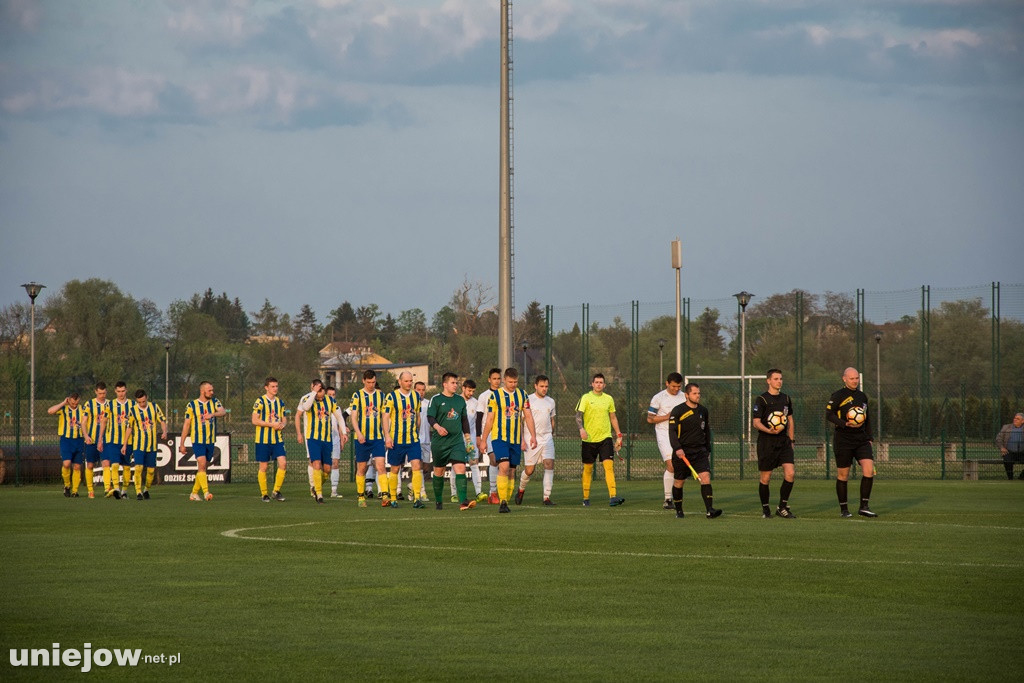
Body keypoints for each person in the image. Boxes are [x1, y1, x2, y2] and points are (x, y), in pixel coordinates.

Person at [483, 367, 537, 513]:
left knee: (512, 471)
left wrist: (533, 435)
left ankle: (505, 499)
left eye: (515, 382)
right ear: (504, 380)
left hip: (515, 439)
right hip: (499, 438)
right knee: (504, 466)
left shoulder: (522, 395)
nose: (513, 384)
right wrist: (483, 439)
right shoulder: (495, 396)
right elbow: (489, 419)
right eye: (510, 381)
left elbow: (528, 416)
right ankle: (503, 502)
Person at [825, 367, 877, 518]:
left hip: (861, 439)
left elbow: (867, 418)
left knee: (869, 470)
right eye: (852, 378)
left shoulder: (862, 396)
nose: (855, 381)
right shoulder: (838, 395)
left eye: (856, 378)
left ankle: (864, 506)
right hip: (843, 439)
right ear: (844, 379)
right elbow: (829, 414)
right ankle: (844, 510)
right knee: (843, 475)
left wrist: (870, 437)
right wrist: (843, 423)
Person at [667, 383, 722, 519]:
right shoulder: (678, 411)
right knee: (679, 482)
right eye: (694, 393)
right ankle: (679, 510)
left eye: (699, 393)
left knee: (705, 478)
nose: (698, 396)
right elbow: (672, 432)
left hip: (699, 452)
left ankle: (710, 510)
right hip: (682, 453)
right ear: (687, 395)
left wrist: (707, 449)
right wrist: (678, 448)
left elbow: (706, 431)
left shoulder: (703, 410)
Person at [426, 372, 476, 510]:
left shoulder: (460, 401)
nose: (456, 385)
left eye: (456, 383)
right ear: (445, 384)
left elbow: (464, 420)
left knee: (460, 468)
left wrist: (468, 439)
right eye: (453, 383)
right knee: (439, 472)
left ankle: (463, 501)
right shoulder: (436, 399)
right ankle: (438, 501)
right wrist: (437, 427)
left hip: (456, 442)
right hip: (439, 443)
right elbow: (430, 417)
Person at [752, 369, 796, 519]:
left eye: (781, 379)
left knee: (790, 473)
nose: (779, 381)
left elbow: (789, 420)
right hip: (767, 441)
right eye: (776, 379)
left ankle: (782, 507)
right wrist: (768, 430)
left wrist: (791, 440)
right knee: (766, 477)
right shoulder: (762, 400)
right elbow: (756, 422)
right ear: (768, 381)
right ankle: (766, 509)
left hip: (783, 441)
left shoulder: (786, 399)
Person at [575, 373, 625, 507]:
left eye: (601, 382)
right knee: (588, 469)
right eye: (596, 382)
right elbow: (578, 416)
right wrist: (581, 429)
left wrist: (619, 435)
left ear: (604, 385)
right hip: (589, 440)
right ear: (592, 384)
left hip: (605, 438)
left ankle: (613, 497)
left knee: (609, 467)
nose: (598, 384)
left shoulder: (609, 399)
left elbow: (613, 417)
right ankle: (586, 498)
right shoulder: (585, 397)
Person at [295, 379, 346, 503]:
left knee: (327, 469)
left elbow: (339, 416)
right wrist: (314, 393)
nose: (320, 394)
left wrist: (343, 432)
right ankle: (319, 494)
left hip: (326, 439)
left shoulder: (330, 401)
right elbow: (306, 408)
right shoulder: (307, 398)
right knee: (316, 464)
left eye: (321, 391)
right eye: (318, 391)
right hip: (313, 438)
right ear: (313, 388)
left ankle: (315, 487)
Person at [382, 371, 424, 508]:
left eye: (411, 381)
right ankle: (393, 497)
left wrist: (417, 431)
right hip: (396, 439)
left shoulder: (416, 396)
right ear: (399, 382)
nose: (409, 383)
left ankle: (417, 498)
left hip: (412, 439)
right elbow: (385, 417)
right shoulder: (391, 396)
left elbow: (418, 416)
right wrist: (387, 436)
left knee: (417, 466)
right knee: (395, 469)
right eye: (406, 381)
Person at [180, 381, 226, 502]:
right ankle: (206, 492)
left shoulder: (215, 402)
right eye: (209, 390)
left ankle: (194, 493)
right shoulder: (192, 405)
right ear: (202, 391)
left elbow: (223, 412)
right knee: (201, 463)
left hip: (210, 440)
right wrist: (182, 443)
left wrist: (213, 414)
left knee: (203, 467)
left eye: (212, 390)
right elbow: (187, 424)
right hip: (198, 440)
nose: (212, 392)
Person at [516, 374, 557, 506]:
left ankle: (546, 497)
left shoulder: (551, 401)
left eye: (546, 386)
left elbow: (552, 420)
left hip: (547, 437)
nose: (544, 389)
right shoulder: (528, 400)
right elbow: (521, 422)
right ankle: (521, 489)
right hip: (531, 439)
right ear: (535, 386)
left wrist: (551, 434)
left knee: (549, 464)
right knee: (529, 470)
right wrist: (522, 439)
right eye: (541, 386)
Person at [647, 372, 686, 510]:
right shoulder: (658, 398)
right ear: (667, 384)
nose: (676, 389)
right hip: (664, 434)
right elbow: (650, 418)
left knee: (680, 467)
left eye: (679, 386)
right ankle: (668, 499)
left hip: (681, 435)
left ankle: (676, 496)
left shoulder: (684, 397)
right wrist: (668, 417)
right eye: (674, 386)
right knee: (671, 466)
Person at [349, 370, 388, 504]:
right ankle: (361, 496)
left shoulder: (381, 396)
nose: (371, 385)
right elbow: (353, 417)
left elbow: (384, 417)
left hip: (377, 438)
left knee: (381, 466)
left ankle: (384, 496)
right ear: (363, 381)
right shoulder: (357, 395)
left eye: (373, 382)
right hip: (362, 439)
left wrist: (387, 434)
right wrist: (358, 433)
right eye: (369, 382)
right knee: (362, 468)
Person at [124, 389, 167, 500]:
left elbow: (162, 420)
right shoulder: (133, 410)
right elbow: (129, 428)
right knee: (138, 468)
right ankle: (138, 492)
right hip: (138, 445)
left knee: (151, 470)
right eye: (139, 402)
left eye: (143, 401)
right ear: (136, 401)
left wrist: (164, 431)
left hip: (152, 445)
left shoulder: (154, 407)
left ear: (146, 398)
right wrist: (124, 444)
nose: (142, 404)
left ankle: (146, 489)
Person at [252, 376, 288, 502]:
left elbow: (284, 418)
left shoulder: (280, 402)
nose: (275, 388)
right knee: (264, 467)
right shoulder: (260, 401)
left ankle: (276, 491)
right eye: (272, 386)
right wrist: (271, 424)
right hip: (263, 440)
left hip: (277, 439)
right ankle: (264, 494)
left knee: (283, 463)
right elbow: (254, 420)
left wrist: (282, 424)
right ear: (266, 387)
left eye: (276, 386)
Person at [452, 379, 487, 503]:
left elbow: (478, 422)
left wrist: (478, 437)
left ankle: (478, 492)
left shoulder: (476, 403)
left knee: (474, 463)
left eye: (473, 391)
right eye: (469, 390)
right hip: (457, 439)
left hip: (470, 440)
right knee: (456, 465)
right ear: (463, 388)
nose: (471, 393)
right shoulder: (455, 400)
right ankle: (454, 493)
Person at [49, 393, 88, 497]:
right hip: (66, 440)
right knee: (66, 464)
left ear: (79, 400)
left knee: (77, 466)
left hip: (79, 440)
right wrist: (63, 403)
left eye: (76, 402)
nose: (74, 404)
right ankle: (67, 485)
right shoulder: (63, 409)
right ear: (69, 400)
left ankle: (75, 491)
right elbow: (50, 411)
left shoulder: (83, 409)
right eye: (72, 402)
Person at [476, 368, 503, 504]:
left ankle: (502, 492)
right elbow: (479, 417)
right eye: (494, 379)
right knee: (494, 460)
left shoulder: (505, 395)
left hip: (503, 433)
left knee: (504, 464)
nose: (497, 381)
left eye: (499, 379)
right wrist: (479, 437)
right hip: (490, 433)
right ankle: (493, 492)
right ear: (489, 380)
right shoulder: (484, 396)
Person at [105, 381, 135, 499]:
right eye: (119, 391)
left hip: (129, 441)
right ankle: (116, 489)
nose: (121, 394)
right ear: (115, 391)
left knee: (127, 467)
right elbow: (104, 421)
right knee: (115, 465)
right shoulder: (110, 404)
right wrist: (101, 439)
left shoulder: (133, 405)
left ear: (126, 390)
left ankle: (124, 491)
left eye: (123, 391)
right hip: (113, 440)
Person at [82, 382, 110, 499]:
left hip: (106, 440)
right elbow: (83, 422)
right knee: (90, 465)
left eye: (103, 393)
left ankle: (107, 489)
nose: (102, 395)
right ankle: (90, 490)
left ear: (106, 392)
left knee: (106, 463)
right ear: (95, 392)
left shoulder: (110, 404)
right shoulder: (89, 404)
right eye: (100, 393)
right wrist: (86, 436)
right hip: (92, 440)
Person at [326, 386, 350, 498]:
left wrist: (342, 437)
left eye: (333, 395)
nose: (331, 397)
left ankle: (334, 490)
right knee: (323, 466)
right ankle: (316, 487)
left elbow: (340, 423)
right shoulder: (321, 408)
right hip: (323, 440)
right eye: (329, 395)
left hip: (335, 439)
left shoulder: (337, 408)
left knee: (335, 463)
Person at [995, 412, 1024, 480]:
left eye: (1017, 419)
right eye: (1014, 418)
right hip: (1009, 452)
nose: (1015, 419)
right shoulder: (1006, 427)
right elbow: (998, 439)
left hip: (1023, 452)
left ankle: (1021, 477)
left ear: (1023, 421)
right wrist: (1002, 448)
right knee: (1007, 461)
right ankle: (1010, 478)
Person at [415, 380, 431, 501]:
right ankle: (422, 492)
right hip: (415, 440)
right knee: (418, 467)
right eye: (418, 390)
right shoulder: (411, 403)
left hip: (427, 440)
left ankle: (412, 486)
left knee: (426, 468)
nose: (421, 392)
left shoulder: (428, 403)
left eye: (423, 390)